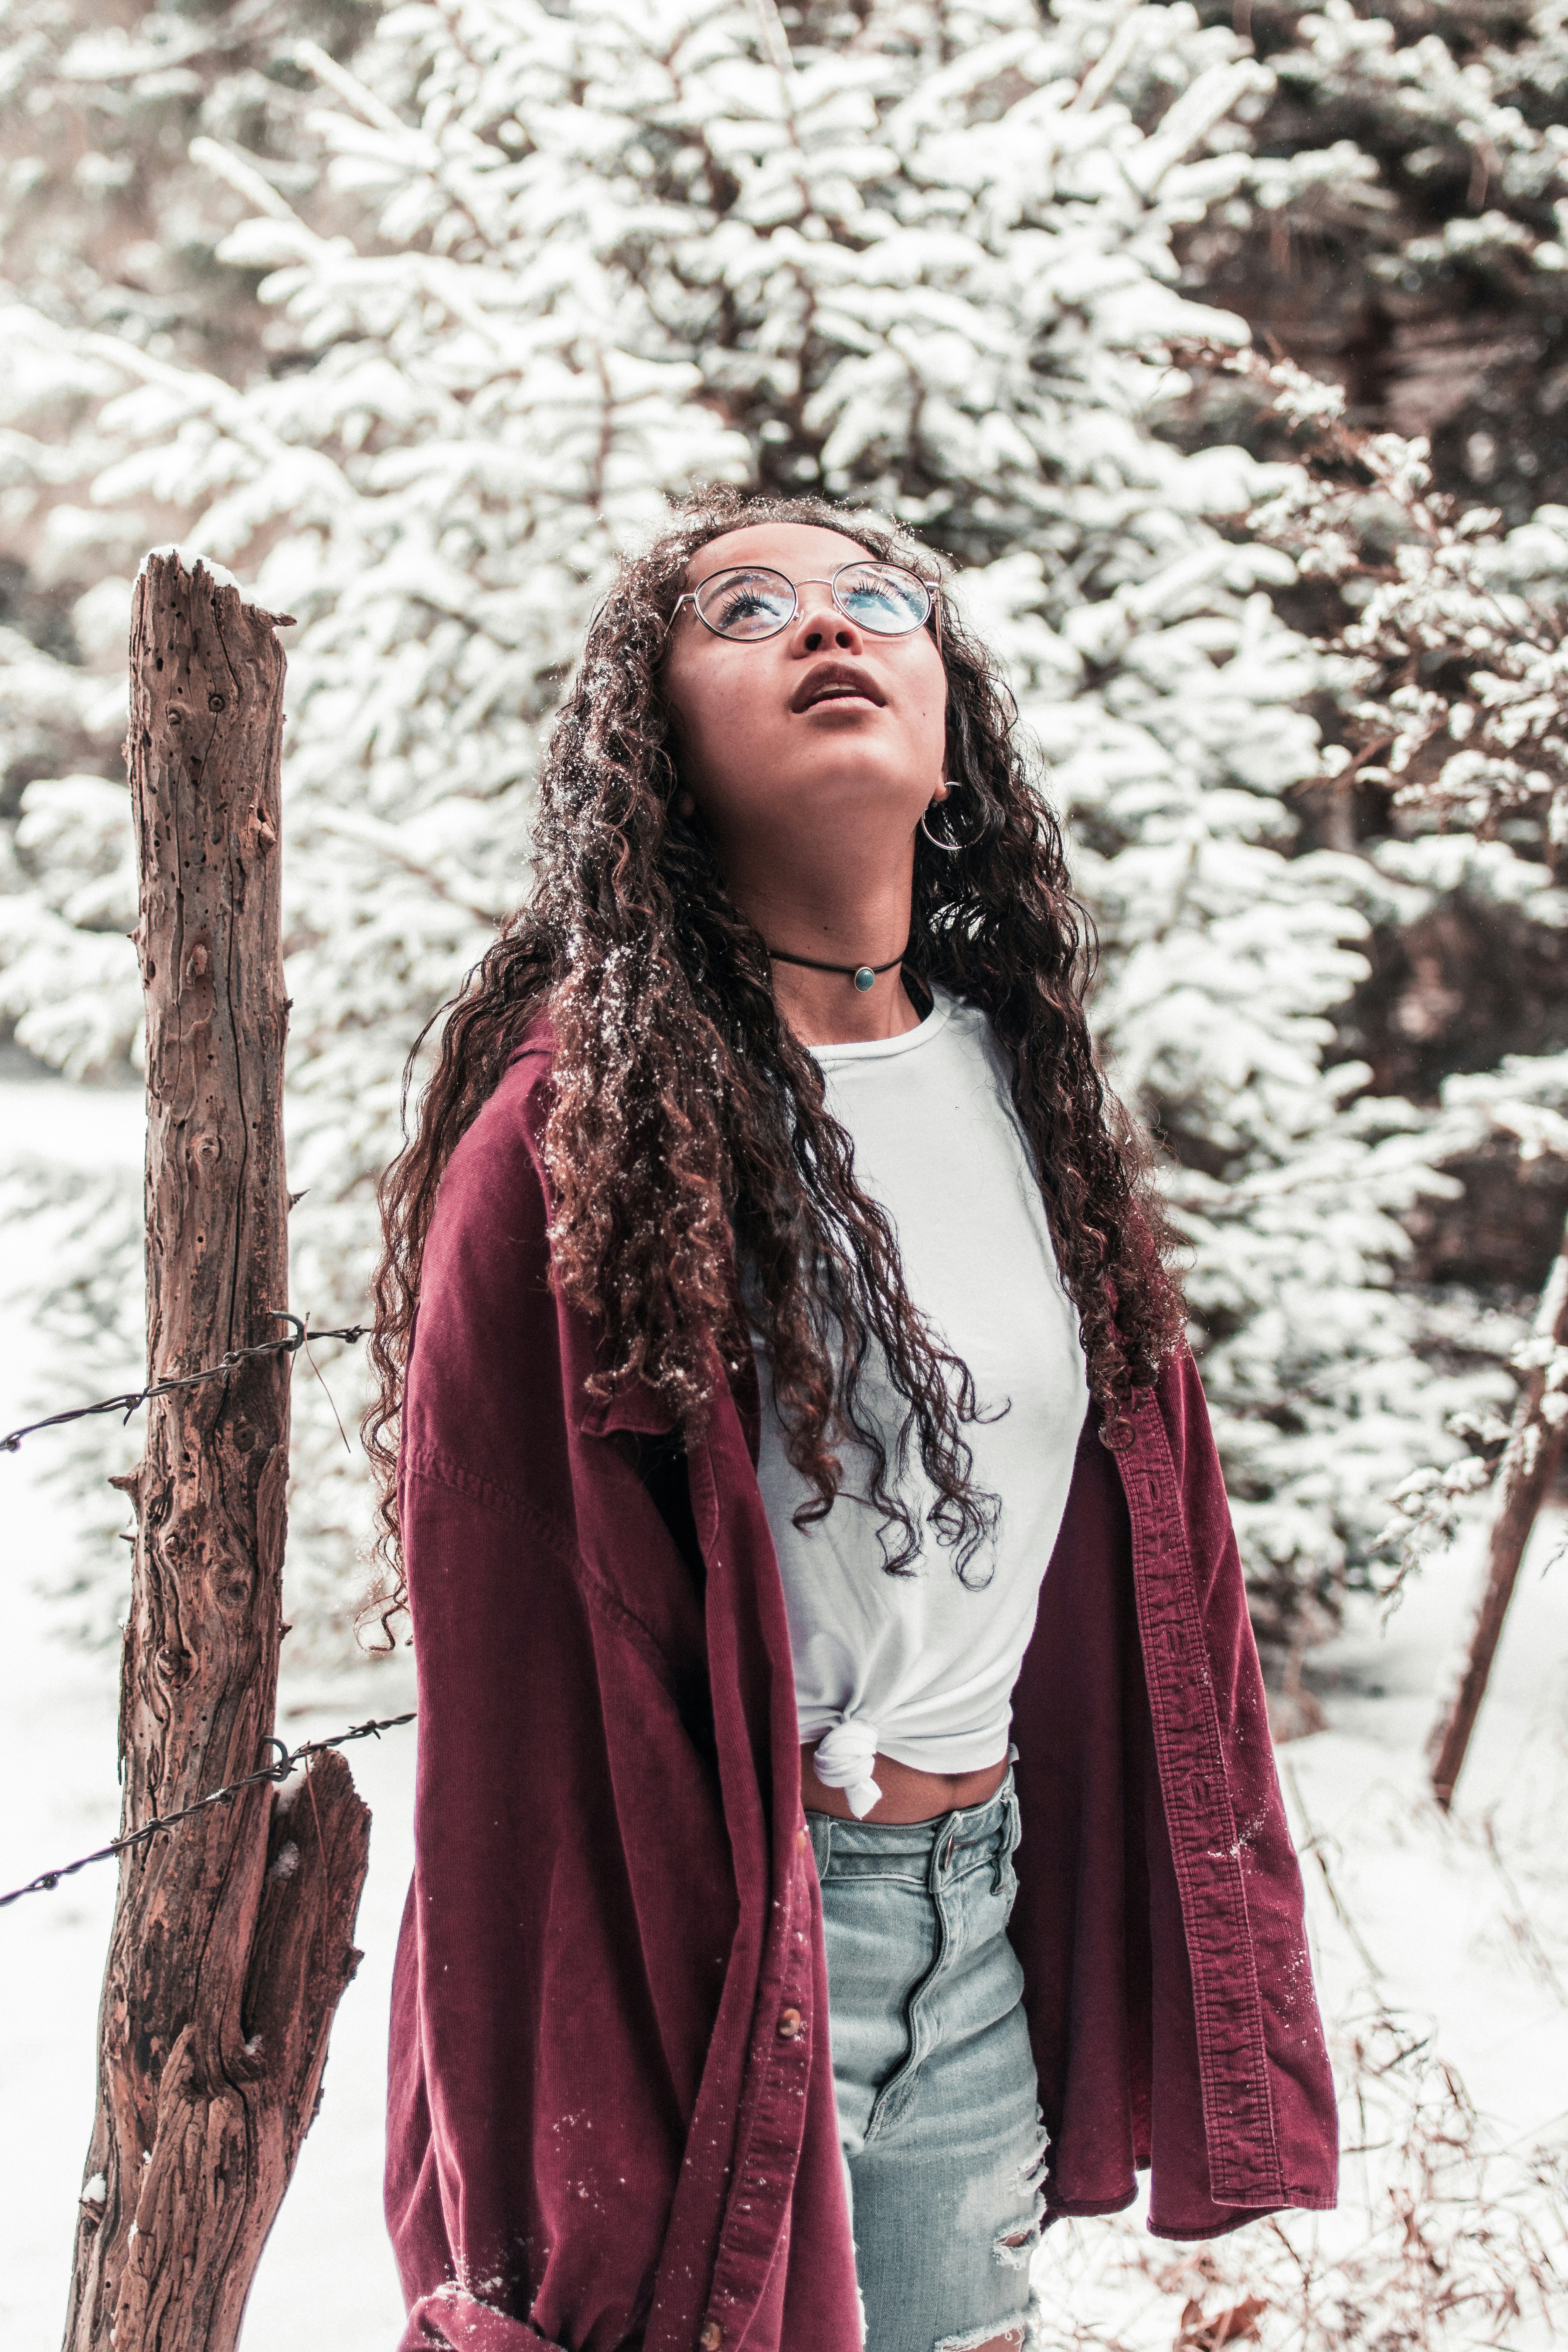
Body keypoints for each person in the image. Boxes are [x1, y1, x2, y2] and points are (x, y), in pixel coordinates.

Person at [368, 489, 1338, 2352]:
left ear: (949, 727)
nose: (827, 626)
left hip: (974, 1929)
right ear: (656, 748)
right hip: (711, 1968)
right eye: (745, 608)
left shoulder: (1028, 1092)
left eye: (877, 599)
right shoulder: (578, 1139)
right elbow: (518, 1725)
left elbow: (1165, 1577)